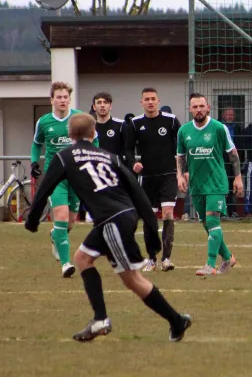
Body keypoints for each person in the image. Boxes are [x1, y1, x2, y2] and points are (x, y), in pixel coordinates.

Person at [24, 113, 192, 342]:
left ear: (69, 135)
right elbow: (137, 191)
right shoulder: (108, 156)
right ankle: (100, 319)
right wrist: (151, 229)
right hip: (122, 215)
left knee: (131, 279)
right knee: (82, 258)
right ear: (94, 134)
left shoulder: (64, 157)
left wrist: (32, 220)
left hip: (112, 220)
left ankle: (175, 320)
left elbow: (44, 188)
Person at [31, 81, 98, 277]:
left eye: (65, 97)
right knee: (59, 216)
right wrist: (35, 162)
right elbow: (36, 144)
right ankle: (66, 264)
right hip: (56, 176)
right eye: (58, 97)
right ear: (52, 100)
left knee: (69, 223)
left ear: (69, 99)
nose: (62, 100)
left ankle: (55, 235)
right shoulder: (44, 122)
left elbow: (95, 139)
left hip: (77, 177)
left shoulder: (80, 119)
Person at [176, 94, 243, 276]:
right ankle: (228, 258)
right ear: (190, 109)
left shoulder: (219, 128)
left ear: (208, 107)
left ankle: (210, 265)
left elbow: (233, 154)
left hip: (216, 183)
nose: (199, 109)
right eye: (195, 107)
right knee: (207, 224)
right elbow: (180, 157)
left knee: (213, 221)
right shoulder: (183, 131)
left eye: (201, 106)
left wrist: (238, 178)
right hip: (197, 185)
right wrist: (180, 176)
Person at [130, 88, 181, 272]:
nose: (150, 102)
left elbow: (181, 144)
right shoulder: (135, 124)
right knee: (149, 217)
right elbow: (128, 149)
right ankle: (151, 258)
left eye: (153, 99)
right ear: (141, 102)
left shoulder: (171, 120)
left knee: (167, 213)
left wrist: (182, 169)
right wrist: (133, 163)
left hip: (168, 174)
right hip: (147, 177)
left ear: (158, 101)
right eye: (147, 99)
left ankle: (166, 258)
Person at [80, 92, 136, 222]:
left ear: (110, 106)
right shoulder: (88, 127)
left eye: (105, 102)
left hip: (114, 173)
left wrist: (127, 167)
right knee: (92, 218)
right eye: (99, 103)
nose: (102, 105)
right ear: (94, 107)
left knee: (117, 213)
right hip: (93, 173)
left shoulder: (121, 125)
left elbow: (127, 149)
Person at [219, 106, 244, 217]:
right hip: (221, 160)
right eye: (228, 114)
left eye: (232, 115)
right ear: (223, 115)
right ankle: (221, 210)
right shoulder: (218, 127)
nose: (230, 116)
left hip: (233, 161)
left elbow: (241, 148)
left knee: (232, 186)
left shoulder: (238, 129)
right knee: (221, 185)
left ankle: (231, 210)